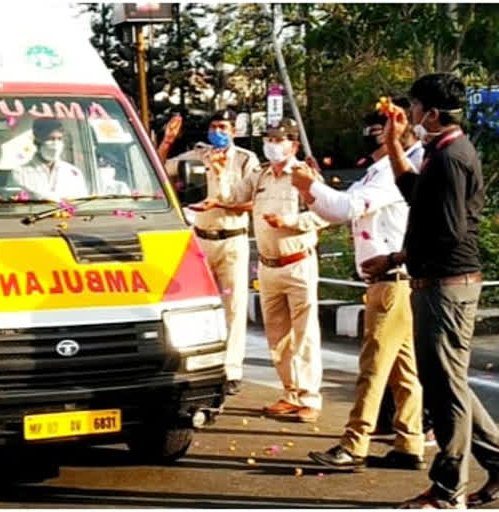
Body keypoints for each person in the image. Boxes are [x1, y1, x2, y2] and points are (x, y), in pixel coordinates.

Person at [363, 73, 499, 508]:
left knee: (444, 391)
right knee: (450, 384)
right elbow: (414, 194)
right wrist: (395, 140)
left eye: (416, 109)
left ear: (433, 114)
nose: (413, 115)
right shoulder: (440, 152)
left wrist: (394, 259)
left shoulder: (451, 158)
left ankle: (446, 491)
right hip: (438, 283)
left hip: (446, 285)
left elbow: (447, 231)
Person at [293, 99, 426, 470]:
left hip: (392, 282)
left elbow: (347, 208)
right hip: (388, 282)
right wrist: (312, 189)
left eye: (380, 129)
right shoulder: (379, 170)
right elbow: (340, 209)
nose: (372, 135)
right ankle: (410, 443)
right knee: (404, 371)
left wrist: (310, 187)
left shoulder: (392, 172)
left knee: (373, 367)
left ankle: (355, 444)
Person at [230, 118, 328, 422]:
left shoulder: (303, 175)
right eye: (269, 139)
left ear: (293, 144)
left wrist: (291, 223)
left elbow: (326, 214)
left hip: (298, 262)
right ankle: (290, 392)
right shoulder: (260, 176)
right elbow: (233, 198)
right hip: (268, 266)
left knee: (305, 334)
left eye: (279, 139)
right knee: (277, 336)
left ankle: (310, 397)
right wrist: (219, 171)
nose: (272, 144)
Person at [163, 109, 260, 396]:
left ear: (233, 131)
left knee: (234, 306)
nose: (218, 131)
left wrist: (220, 205)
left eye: (224, 127)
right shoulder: (198, 155)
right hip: (201, 238)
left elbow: (253, 201)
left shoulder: (245, 159)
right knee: (197, 305)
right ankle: (197, 364)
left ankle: (231, 370)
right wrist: (168, 140)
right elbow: (160, 167)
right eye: (214, 125)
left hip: (232, 238)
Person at [12, 119, 87, 201]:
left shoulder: (73, 173)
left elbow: (82, 203)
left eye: (59, 139)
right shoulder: (20, 172)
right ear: (37, 141)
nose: (56, 144)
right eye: (51, 139)